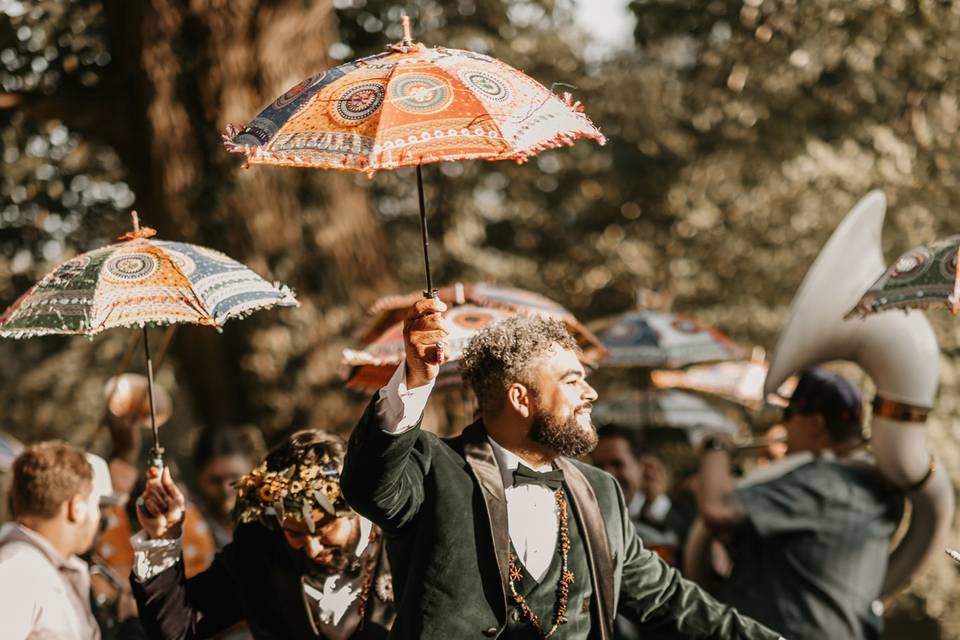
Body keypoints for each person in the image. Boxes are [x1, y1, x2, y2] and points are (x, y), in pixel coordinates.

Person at [342, 298, 783, 640]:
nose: (590, 394)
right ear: (521, 398)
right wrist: (415, 379)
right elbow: (368, 488)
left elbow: (667, 599)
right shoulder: (433, 467)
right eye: (572, 381)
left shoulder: (600, 490)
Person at [692, 368, 902, 640]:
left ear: (815, 423)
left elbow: (717, 509)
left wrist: (715, 447)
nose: (785, 427)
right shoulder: (869, 482)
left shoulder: (821, 481)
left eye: (789, 416)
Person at [129, 429, 395, 639]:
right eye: (295, 533)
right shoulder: (260, 551)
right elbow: (178, 626)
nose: (312, 549)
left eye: (324, 531)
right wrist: (162, 536)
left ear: (354, 509)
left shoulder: (401, 543)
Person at [0, 441, 112, 639]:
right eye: (96, 507)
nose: (99, 520)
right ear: (76, 508)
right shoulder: (17, 571)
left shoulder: (36, 568)